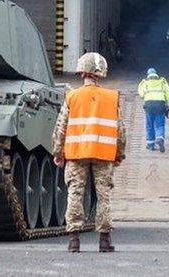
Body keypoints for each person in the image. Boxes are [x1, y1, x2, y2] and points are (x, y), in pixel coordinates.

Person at [52, 52, 126, 253]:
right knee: (104, 195)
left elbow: (61, 127)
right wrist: (119, 154)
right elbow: (120, 130)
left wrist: (58, 152)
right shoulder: (111, 98)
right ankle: (104, 240)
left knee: (75, 193)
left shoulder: (72, 96)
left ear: (81, 72)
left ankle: (74, 240)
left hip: (76, 154)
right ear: (101, 72)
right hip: (103, 154)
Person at [138, 68, 169, 152]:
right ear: (156, 75)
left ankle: (150, 144)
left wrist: (141, 84)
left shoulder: (145, 83)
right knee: (160, 124)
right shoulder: (162, 82)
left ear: (148, 75)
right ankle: (160, 137)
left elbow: (141, 94)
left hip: (149, 105)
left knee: (149, 125)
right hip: (160, 105)